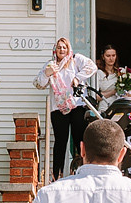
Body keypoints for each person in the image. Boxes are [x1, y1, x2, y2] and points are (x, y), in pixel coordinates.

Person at [32, 37, 97, 180]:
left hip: (76, 105)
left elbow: (92, 67)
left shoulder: (75, 59)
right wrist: (47, 73)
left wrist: (78, 78)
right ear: (55, 50)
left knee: (79, 139)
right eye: (59, 47)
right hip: (58, 108)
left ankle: (81, 171)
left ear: (68, 49)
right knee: (60, 141)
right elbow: (38, 84)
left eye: (64, 47)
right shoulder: (50, 65)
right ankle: (57, 175)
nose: (62, 50)